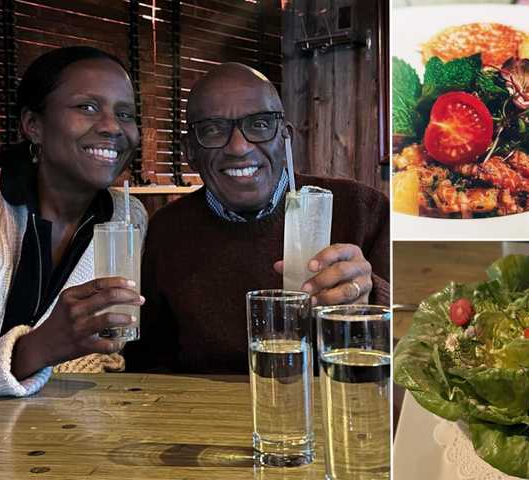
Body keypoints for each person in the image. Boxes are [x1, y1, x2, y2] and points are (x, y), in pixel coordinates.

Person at [124, 63, 389, 374]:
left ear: (286, 138)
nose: (239, 146)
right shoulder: (168, 230)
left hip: (338, 409)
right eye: (212, 129)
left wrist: (370, 297)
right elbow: (150, 363)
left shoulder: (361, 209)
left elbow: (419, 339)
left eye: (260, 124)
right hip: (205, 415)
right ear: (190, 152)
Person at [0, 46, 148, 411]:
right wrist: (36, 349)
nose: (113, 126)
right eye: (88, 107)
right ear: (33, 125)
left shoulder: (130, 217)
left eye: (124, 113)